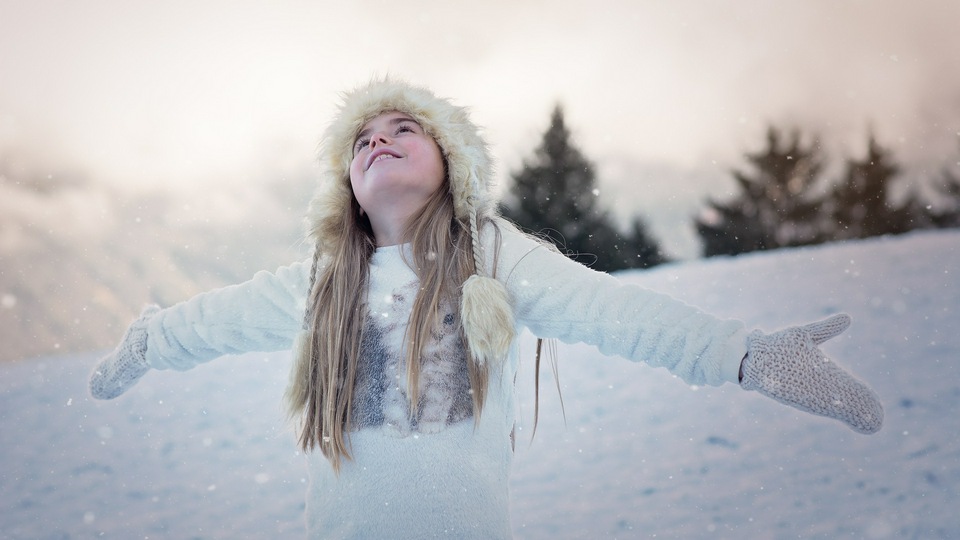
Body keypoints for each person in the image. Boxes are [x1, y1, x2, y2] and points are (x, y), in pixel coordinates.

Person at [89, 78, 884, 539]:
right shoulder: (322, 283)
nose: (379, 140)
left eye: (405, 128)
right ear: (347, 185)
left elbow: (612, 312)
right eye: (362, 139)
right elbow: (214, 320)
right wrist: (151, 338)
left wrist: (744, 353)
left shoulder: (492, 256)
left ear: (452, 166)